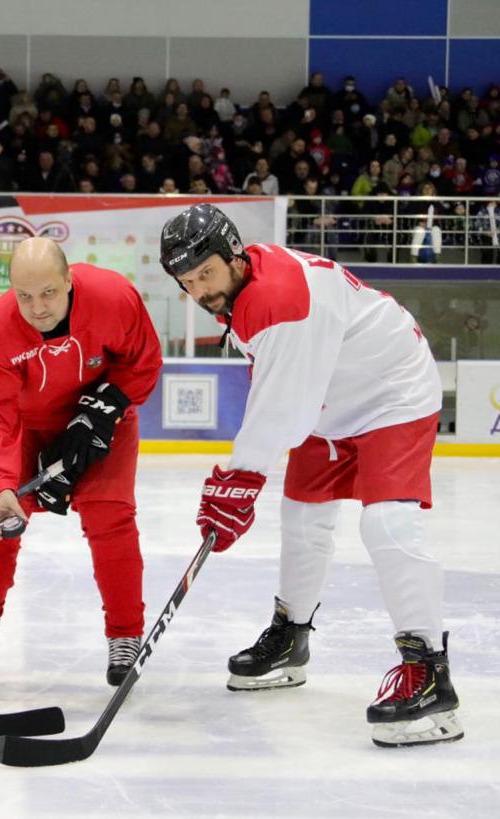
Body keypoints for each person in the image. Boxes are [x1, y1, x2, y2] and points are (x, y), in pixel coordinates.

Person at [159, 204, 462, 749]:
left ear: (233, 255)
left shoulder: (281, 300)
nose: (200, 291)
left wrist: (238, 478)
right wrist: (240, 478)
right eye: (187, 282)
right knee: (301, 516)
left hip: (391, 393)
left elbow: (285, 412)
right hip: (330, 400)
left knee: (387, 525)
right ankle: (291, 637)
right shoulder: (246, 289)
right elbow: (285, 398)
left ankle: (431, 673)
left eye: (206, 273)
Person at [0, 237, 161, 692]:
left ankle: (125, 634)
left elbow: (144, 361)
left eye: (48, 292)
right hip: (26, 427)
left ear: (69, 280)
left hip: (102, 419)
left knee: (111, 515)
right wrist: (3, 485)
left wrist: (105, 407)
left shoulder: (113, 297)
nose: (37, 308)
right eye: (23, 296)